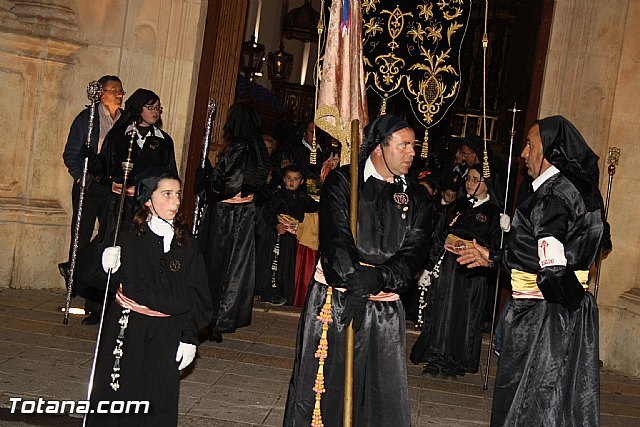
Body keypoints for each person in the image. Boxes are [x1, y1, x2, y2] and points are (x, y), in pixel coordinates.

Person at [284, 115, 433, 426]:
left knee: (379, 394)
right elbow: (336, 239)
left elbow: (414, 252)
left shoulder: (417, 196)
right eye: (404, 145)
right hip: (337, 300)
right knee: (328, 390)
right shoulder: (342, 182)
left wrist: (376, 278)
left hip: (384, 305)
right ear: (379, 148)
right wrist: (354, 281)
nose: (411, 153)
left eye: (413, 146)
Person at [456, 116, 605, 426]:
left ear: (549, 150)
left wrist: (570, 305)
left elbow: (552, 269)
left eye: (529, 144)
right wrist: (494, 258)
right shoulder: (574, 191)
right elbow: (537, 253)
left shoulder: (552, 197)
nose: (523, 153)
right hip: (555, 310)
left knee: (529, 402)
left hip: (541, 317)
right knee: (553, 398)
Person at [86, 168, 212, 427]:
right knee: (120, 396)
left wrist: (189, 337)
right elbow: (94, 279)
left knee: (158, 400)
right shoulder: (127, 236)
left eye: (178, 194)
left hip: (168, 330)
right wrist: (106, 265)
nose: (176, 201)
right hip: (129, 326)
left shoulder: (186, 242)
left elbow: (196, 292)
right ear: (148, 199)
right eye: (167, 194)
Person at [77, 88, 177, 324]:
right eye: (151, 107)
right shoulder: (119, 135)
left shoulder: (163, 141)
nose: (155, 112)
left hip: (145, 208)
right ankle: (101, 306)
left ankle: (137, 304)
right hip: (119, 206)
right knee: (111, 249)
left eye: (158, 108)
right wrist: (93, 161)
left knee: (141, 254)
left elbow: (168, 175)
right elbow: (107, 167)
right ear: (138, 108)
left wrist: (149, 194)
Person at [410, 164, 503, 377]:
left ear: (486, 184)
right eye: (468, 178)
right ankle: (435, 358)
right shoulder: (457, 205)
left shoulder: (494, 213)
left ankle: (454, 362)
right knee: (440, 311)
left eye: (475, 179)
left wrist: (505, 231)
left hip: (472, 274)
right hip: (447, 268)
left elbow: (495, 250)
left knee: (463, 315)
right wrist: (429, 266)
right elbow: (440, 235)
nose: (469, 183)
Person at [196, 103, 270, 343]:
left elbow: (229, 182)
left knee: (215, 265)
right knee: (234, 267)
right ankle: (218, 320)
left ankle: (209, 320)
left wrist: (207, 185)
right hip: (245, 214)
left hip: (226, 214)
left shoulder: (240, 147)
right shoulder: (258, 147)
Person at [61, 75, 125, 324]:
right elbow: (71, 154)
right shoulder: (86, 119)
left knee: (108, 238)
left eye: (121, 91)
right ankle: (75, 279)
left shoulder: (123, 121)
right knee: (81, 235)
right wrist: (82, 178)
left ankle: (96, 298)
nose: (119, 95)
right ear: (101, 93)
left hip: (111, 187)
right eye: (114, 90)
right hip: (89, 186)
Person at [256, 165, 318, 306]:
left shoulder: (303, 197)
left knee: (287, 265)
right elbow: (268, 212)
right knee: (274, 264)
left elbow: (314, 207)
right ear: (284, 180)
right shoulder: (278, 195)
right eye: (289, 178)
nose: (292, 182)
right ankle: (271, 293)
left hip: (292, 237)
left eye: (295, 179)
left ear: (301, 181)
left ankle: (284, 293)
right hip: (278, 234)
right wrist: (277, 225)